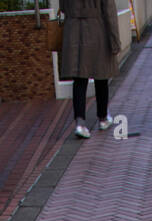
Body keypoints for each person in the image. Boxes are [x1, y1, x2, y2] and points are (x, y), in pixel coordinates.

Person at [59, 0, 122, 138]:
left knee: (79, 79)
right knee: (101, 75)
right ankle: (103, 118)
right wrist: (115, 40)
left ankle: (80, 123)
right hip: (97, 30)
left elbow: (63, 7)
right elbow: (109, 11)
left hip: (73, 31)